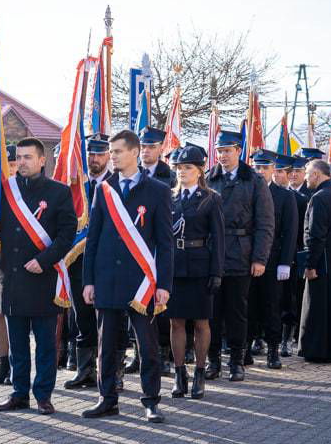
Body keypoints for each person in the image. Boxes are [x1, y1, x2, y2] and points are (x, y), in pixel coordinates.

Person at [0, 137, 77, 414]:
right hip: (12, 279)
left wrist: (44, 261)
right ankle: (19, 394)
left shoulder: (58, 192)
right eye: (18, 158)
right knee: (18, 344)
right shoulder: (5, 191)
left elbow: (66, 234)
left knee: (45, 344)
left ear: (42, 160)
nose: (21, 162)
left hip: (43, 278)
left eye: (27, 157)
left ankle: (43, 395)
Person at [82, 130, 173, 422]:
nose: (113, 156)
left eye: (118, 151)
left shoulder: (157, 190)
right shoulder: (103, 189)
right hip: (107, 278)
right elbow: (93, 239)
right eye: (112, 151)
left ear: (134, 152)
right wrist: (88, 280)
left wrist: (164, 285)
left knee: (147, 345)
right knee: (106, 346)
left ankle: (151, 401)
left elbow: (165, 243)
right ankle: (107, 398)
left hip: (141, 283)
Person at [205, 130, 275, 381]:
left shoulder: (253, 181)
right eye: (219, 151)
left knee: (237, 312)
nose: (222, 156)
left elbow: (265, 223)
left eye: (227, 150)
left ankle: (236, 362)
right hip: (212, 254)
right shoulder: (208, 178)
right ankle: (212, 361)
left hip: (241, 254)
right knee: (211, 313)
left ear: (238, 151)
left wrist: (259, 258)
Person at [165, 145, 224, 399]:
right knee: (176, 322)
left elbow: (218, 239)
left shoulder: (211, 198)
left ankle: (200, 373)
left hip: (200, 265)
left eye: (187, 167)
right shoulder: (169, 197)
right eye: (178, 168)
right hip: (175, 266)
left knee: (201, 322)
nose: (182, 172)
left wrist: (216, 273)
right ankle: (179, 374)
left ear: (200, 171)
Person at [64, 133, 112, 389]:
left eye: (99, 153)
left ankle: (111, 373)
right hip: (78, 261)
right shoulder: (75, 188)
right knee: (82, 316)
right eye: (90, 154)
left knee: (109, 318)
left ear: (108, 155)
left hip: (107, 262)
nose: (94, 158)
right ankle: (85, 370)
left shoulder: (115, 184)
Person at [298, 159, 331, 362]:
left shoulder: (320, 197)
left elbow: (316, 235)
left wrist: (310, 265)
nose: (305, 178)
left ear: (316, 174)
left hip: (323, 263)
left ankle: (318, 351)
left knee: (318, 308)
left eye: (306, 173)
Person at [247, 152, 297, 369]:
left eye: (264, 168)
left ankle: (273, 351)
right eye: (256, 168)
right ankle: (245, 349)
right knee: (247, 307)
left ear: (273, 170)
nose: (260, 172)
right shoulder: (244, 191)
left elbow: (290, 232)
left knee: (271, 307)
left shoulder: (285, 197)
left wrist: (285, 262)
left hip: (273, 260)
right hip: (246, 259)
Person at [139, 126, 175, 375]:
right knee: (137, 303)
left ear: (161, 149)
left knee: (160, 306)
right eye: (142, 147)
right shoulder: (133, 174)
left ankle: (162, 352)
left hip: (158, 247)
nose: (145, 151)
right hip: (137, 249)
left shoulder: (170, 177)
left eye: (151, 146)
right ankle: (139, 354)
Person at [0, 144, 19, 386]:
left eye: (13, 165)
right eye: (6, 165)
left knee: (16, 316)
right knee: (0, 313)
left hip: (21, 261)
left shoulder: (25, 191)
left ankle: (16, 363)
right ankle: (3, 362)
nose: (10, 170)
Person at [282, 156, 310, 353]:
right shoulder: (277, 194)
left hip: (297, 252)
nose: (293, 175)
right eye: (290, 172)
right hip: (277, 252)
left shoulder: (307, 197)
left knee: (294, 297)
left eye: (297, 172)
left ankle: (290, 336)